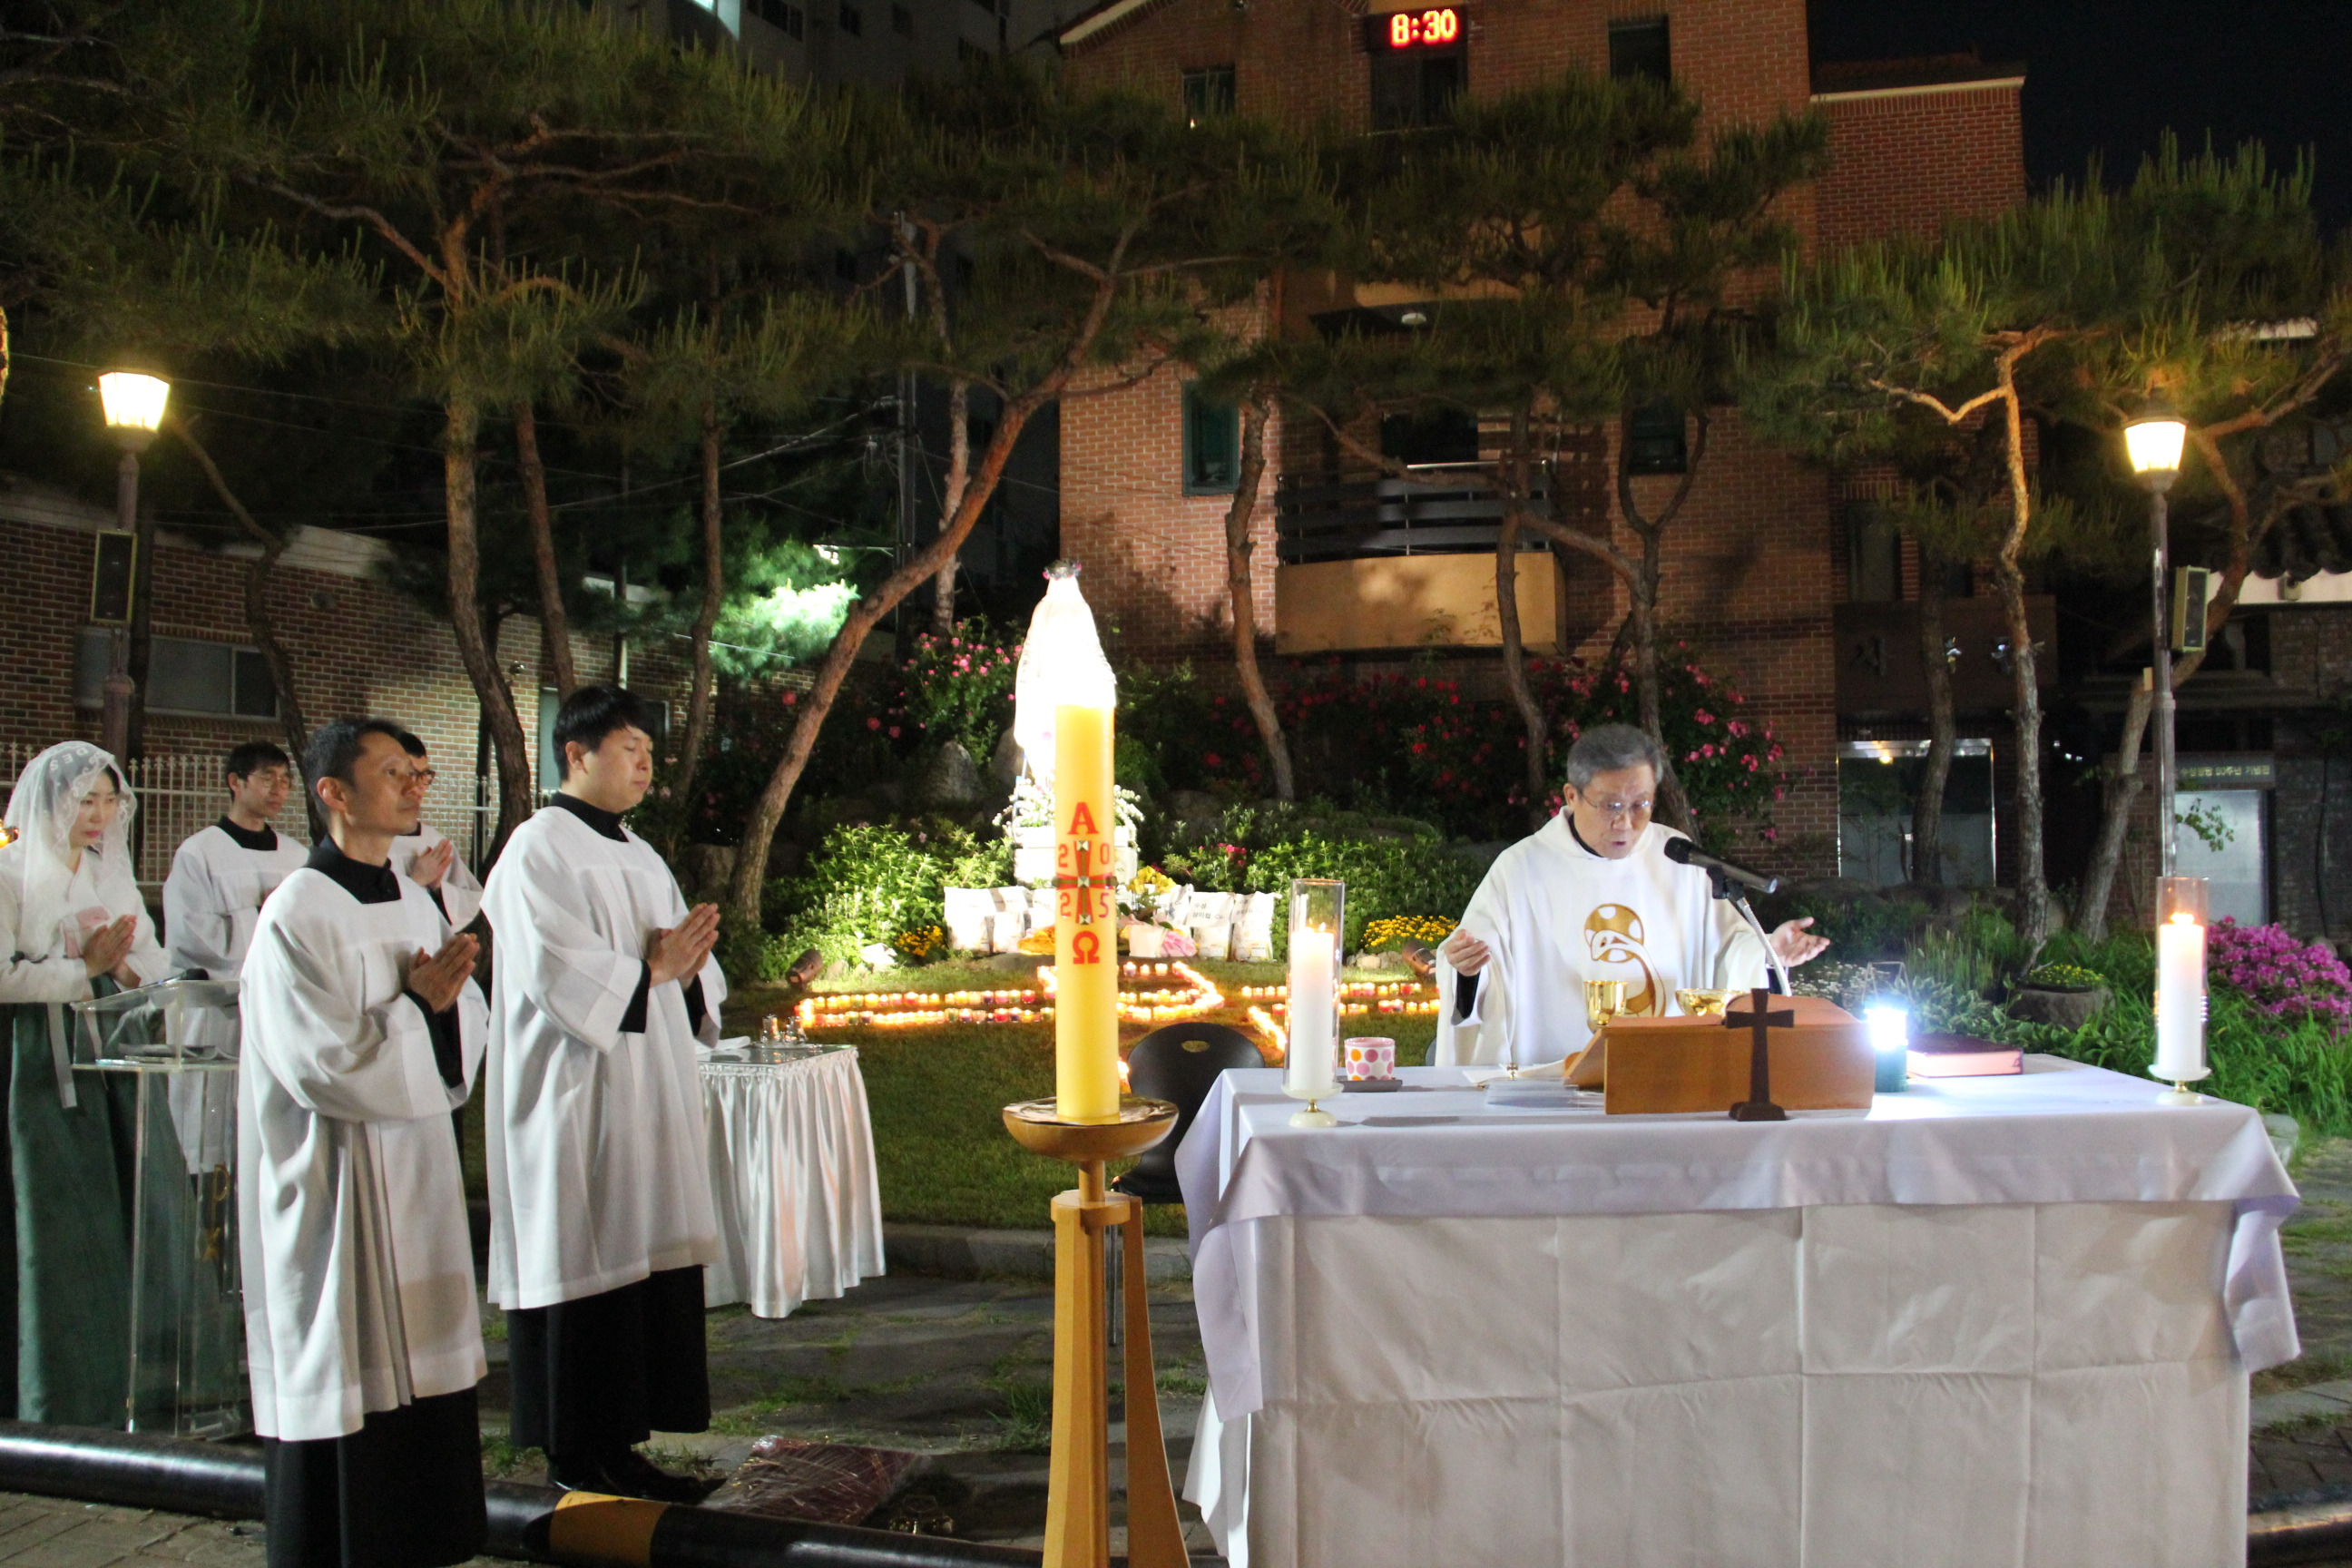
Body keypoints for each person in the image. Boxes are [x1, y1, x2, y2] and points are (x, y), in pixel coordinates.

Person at [238, 718, 487, 1568]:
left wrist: (442, 1012)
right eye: (393, 772)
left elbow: (466, 1017)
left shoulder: (415, 899)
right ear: (334, 793)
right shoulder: (297, 912)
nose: (416, 785)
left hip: (417, 1165)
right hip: (335, 1176)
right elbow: (320, 1064)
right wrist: (417, 1011)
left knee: (425, 1370)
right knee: (350, 1364)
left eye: (420, 772)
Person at [481, 686, 725, 1503]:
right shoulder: (536, 849)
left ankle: (622, 1447)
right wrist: (651, 970)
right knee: (584, 1258)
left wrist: (688, 972)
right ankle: (577, 1454)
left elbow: (683, 966)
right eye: (630, 749)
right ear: (576, 754)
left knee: (636, 1261)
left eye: (650, 752)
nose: (646, 765)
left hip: (646, 1086)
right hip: (574, 1092)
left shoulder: (640, 853)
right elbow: (554, 970)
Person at [1434, 723, 1829, 1069]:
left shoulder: (1677, 856)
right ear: (1571, 796)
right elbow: (1475, 964)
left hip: (1665, 1072)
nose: (1626, 822)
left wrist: (1766, 951)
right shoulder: (1521, 869)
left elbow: (1724, 949)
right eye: (1611, 806)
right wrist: (1467, 971)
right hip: (1553, 1078)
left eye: (1641, 804)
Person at [0, 740, 172, 1421]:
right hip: (34, 1061)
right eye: (84, 801)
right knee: (50, 1219)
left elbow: (147, 957)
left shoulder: (108, 871)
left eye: (107, 800)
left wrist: (126, 970)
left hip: (109, 1059)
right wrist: (83, 969)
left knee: (122, 1208)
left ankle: (126, 1380)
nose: (98, 815)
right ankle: (50, 1384)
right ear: (50, 803)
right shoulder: (8, 867)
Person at [162, 740, 312, 982]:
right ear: (235, 782)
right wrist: (265, 915)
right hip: (223, 994)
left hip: (283, 985)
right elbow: (190, 935)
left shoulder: (297, 856)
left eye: (285, 781)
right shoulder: (198, 853)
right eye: (267, 779)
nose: (278, 790)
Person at [384, 734, 482, 931]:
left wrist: (438, 888)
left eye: (425, 775)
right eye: (411, 774)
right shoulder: (367, 842)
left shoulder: (435, 842)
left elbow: (472, 905)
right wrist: (417, 881)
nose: (419, 785)